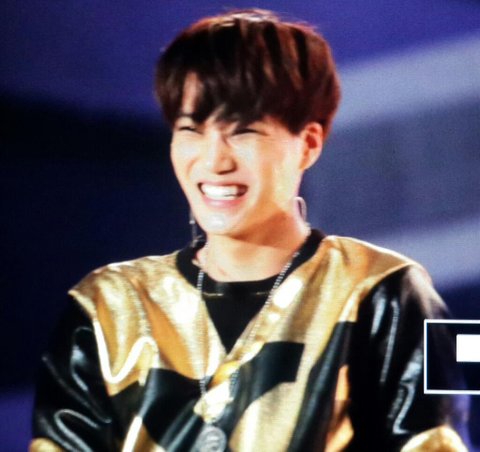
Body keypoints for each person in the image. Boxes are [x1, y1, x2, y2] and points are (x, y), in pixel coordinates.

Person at [30, 9, 469, 452]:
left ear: (309, 143)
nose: (214, 161)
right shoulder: (106, 307)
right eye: (191, 130)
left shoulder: (384, 293)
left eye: (243, 132)